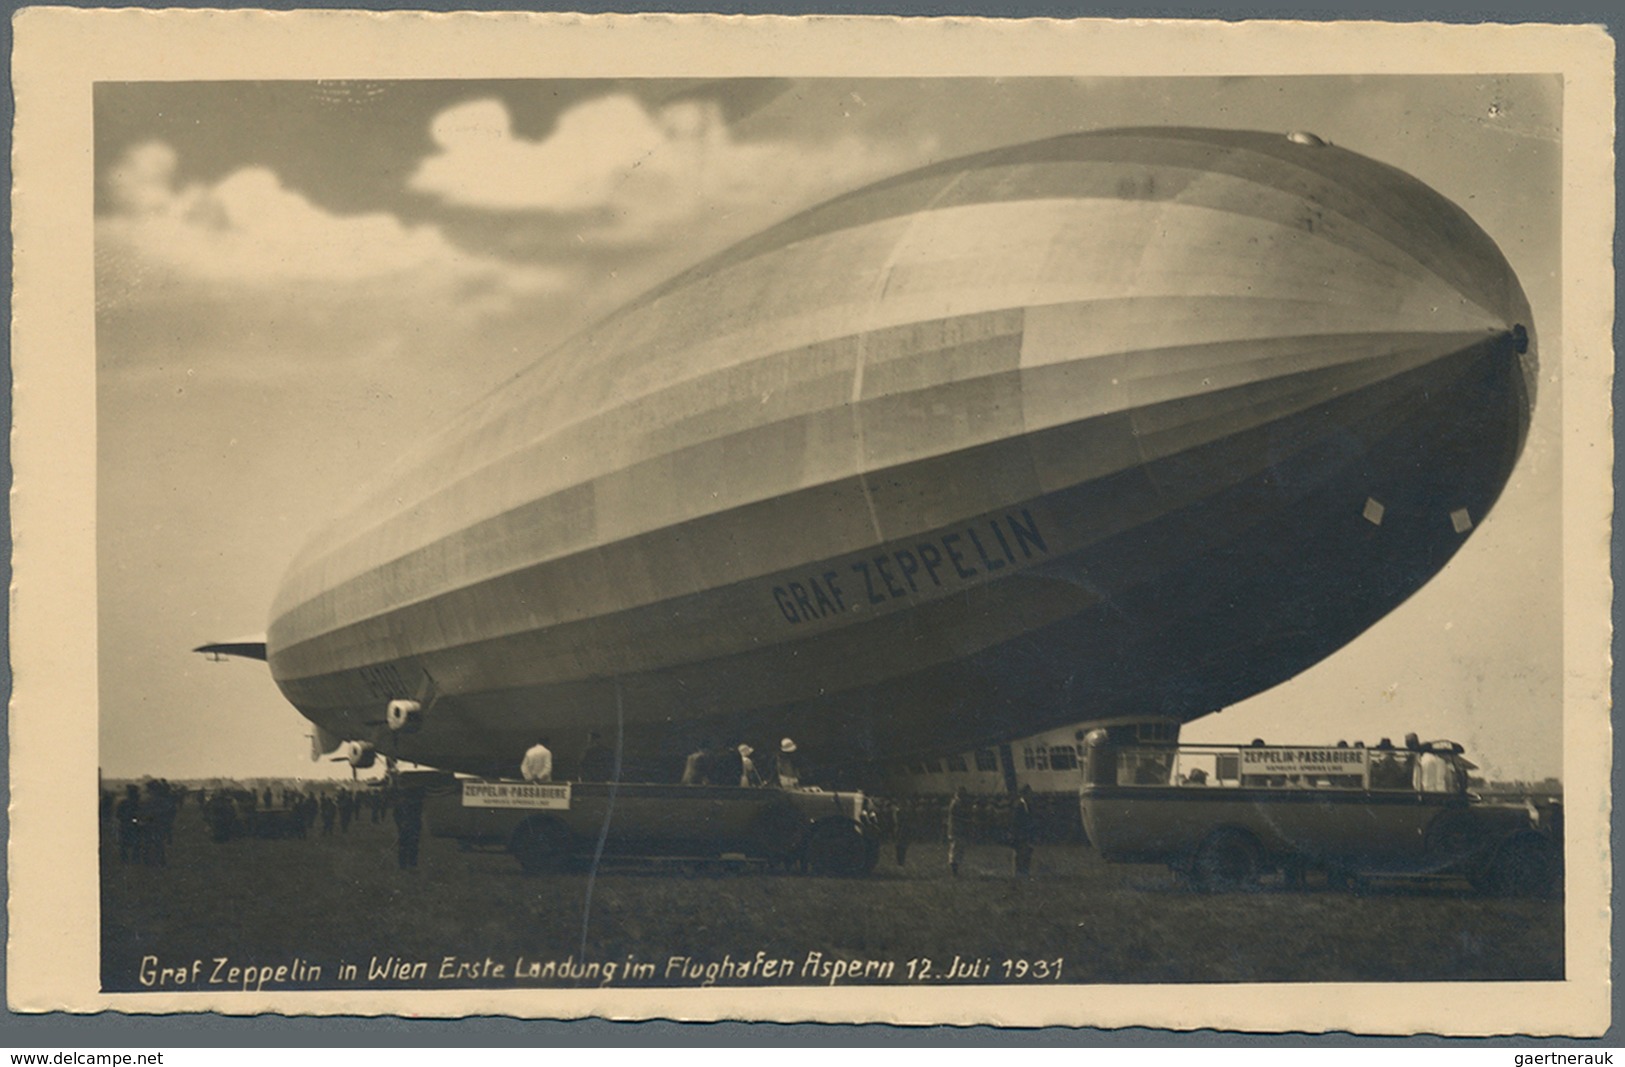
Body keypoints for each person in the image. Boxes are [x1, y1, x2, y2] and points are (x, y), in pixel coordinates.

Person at [393, 783, 425, 869]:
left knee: (413, 846)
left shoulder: (417, 803)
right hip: (405, 827)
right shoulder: (401, 804)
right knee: (404, 845)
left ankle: (412, 864)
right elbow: (396, 815)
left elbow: (418, 815)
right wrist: (400, 824)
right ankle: (403, 864)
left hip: (413, 826)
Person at [1009, 785, 1036, 878]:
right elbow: (1015, 821)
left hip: (1024, 835)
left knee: (1025, 854)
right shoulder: (1019, 806)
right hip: (1021, 835)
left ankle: (1023, 873)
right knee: (1021, 855)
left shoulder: (1025, 805)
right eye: (1029, 793)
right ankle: (1020, 874)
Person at [946, 787, 972, 876]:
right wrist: (966, 819)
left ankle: (956, 868)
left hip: (959, 829)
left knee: (959, 849)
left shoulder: (959, 803)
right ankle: (954, 869)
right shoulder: (955, 803)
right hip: (955, 829)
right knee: (956, 848)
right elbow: (957, 816)